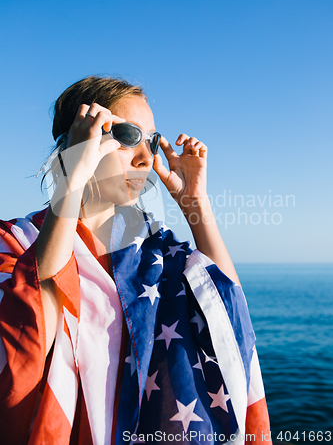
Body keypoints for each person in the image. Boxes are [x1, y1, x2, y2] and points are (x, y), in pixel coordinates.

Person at [0, 76, 271, 445]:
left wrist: (195, 206)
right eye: (128, 137)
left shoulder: (157, 252)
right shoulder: (13, 243)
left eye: (153, 141)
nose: (146, 158)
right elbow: (27, 339)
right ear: (80, 138)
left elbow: (226, 313)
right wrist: (71, 181)